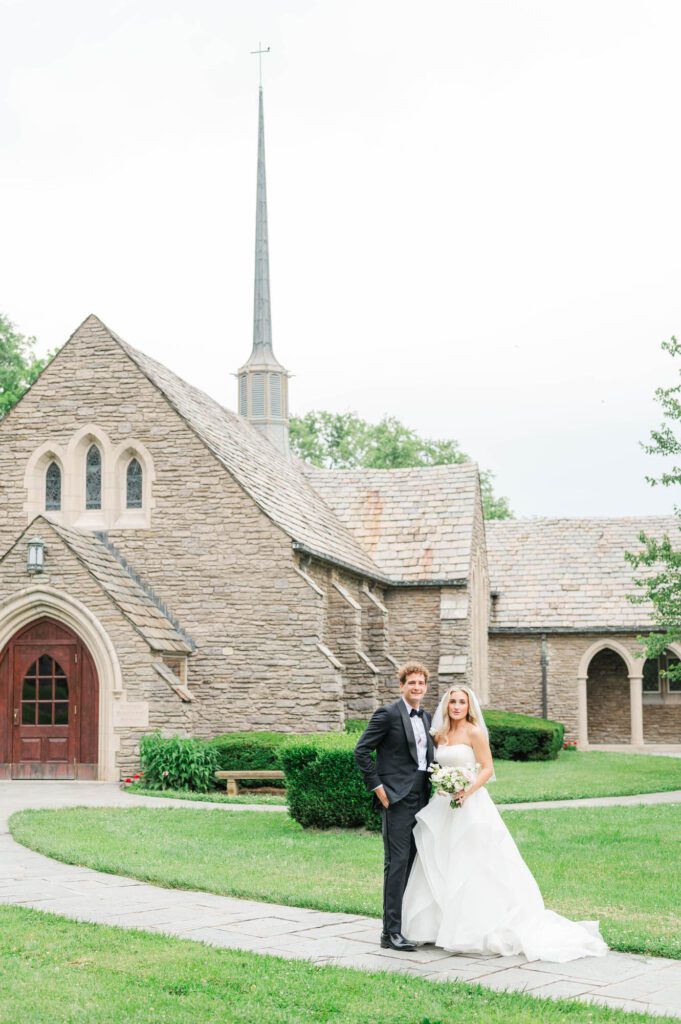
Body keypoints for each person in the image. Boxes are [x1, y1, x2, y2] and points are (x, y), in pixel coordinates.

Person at [401, 685, 608, 963]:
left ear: (469, 706)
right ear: (446, 706)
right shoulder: (439, 735)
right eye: (453, 702)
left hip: (470, 805)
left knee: (470, 862)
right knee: (440, 860)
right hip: (443, 805)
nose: (457, 707)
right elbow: (435, 767)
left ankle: (471, 928)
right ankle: (434, 926)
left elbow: (487, 768)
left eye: (462, 702)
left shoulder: (474, 732)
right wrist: (443, 785)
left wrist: (466, 790)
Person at [354, 662, 434, 951]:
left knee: (414, 864)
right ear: (401, 686)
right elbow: (361, 750)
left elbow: (426, 759)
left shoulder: (426, 717)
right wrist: (377, 786)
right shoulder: (387, 714)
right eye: (411, 682)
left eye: (421, 683)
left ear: (425, 687)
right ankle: (390, 933)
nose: (416, 687)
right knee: (397, 864)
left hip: (423, 799)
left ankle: (408, 926)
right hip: (397, 800)